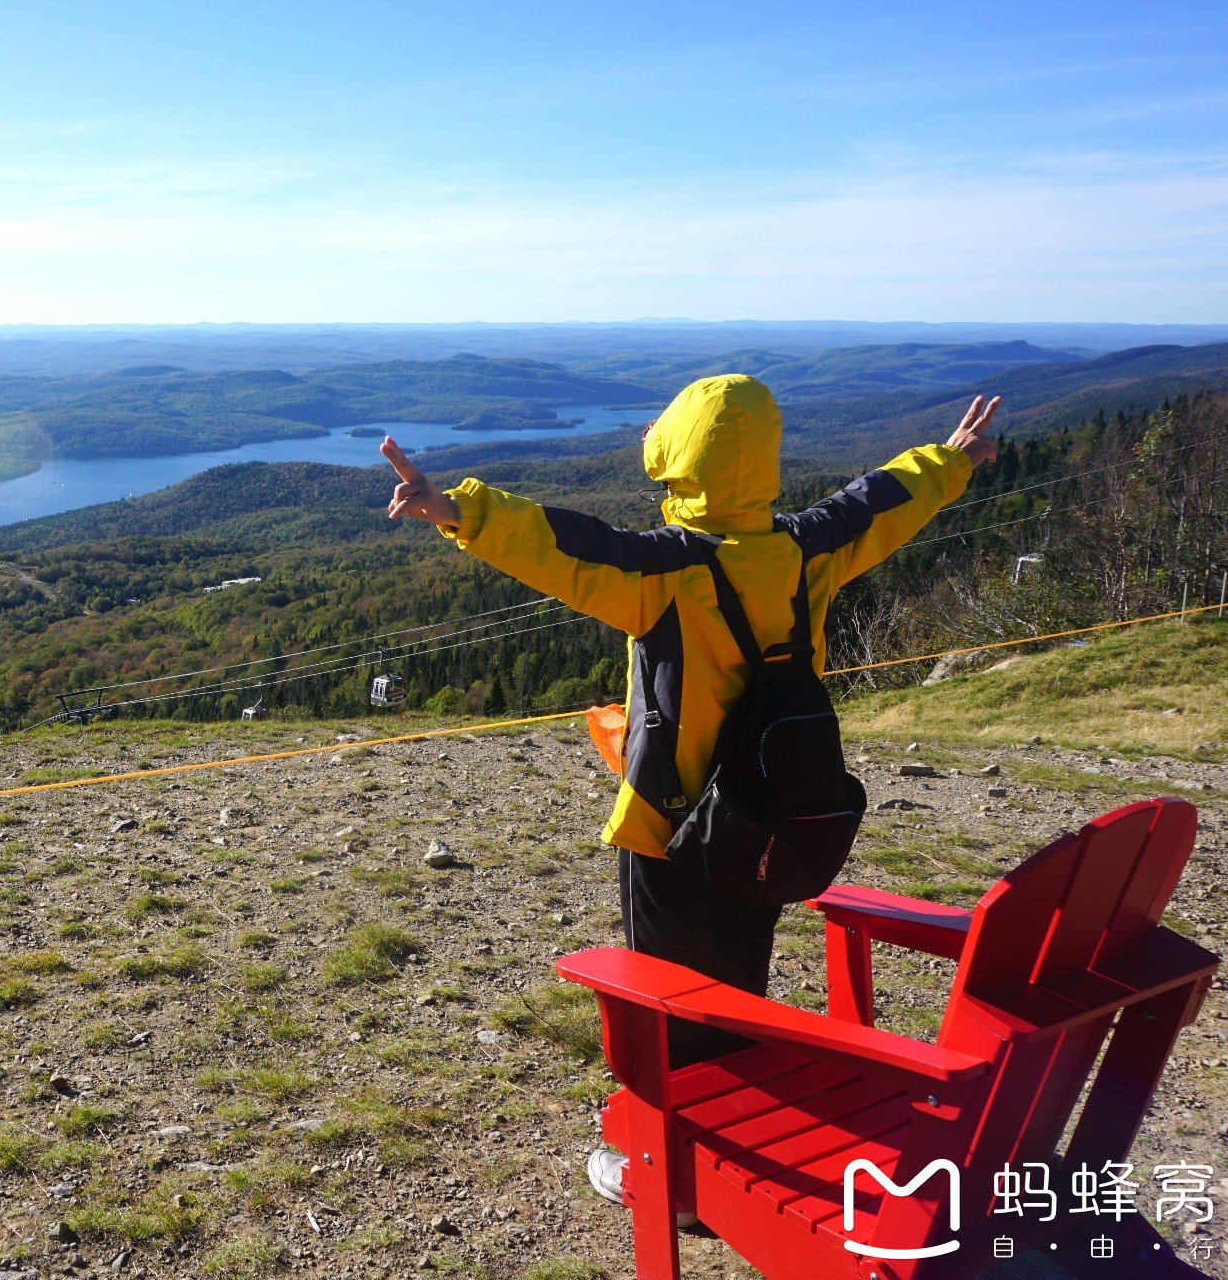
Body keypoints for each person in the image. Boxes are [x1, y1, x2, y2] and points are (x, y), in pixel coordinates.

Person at [383, 373, 1001, 1209]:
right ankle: (735, 1140)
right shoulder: (806, 548)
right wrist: (953, 460)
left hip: (679, 831)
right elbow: (880, 500)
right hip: (781, 809)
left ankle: (675, 1180)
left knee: (669, 1006)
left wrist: (458, 509)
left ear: (677, 460)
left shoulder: (667, 571)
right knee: (737, 987)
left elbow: (565, 544)